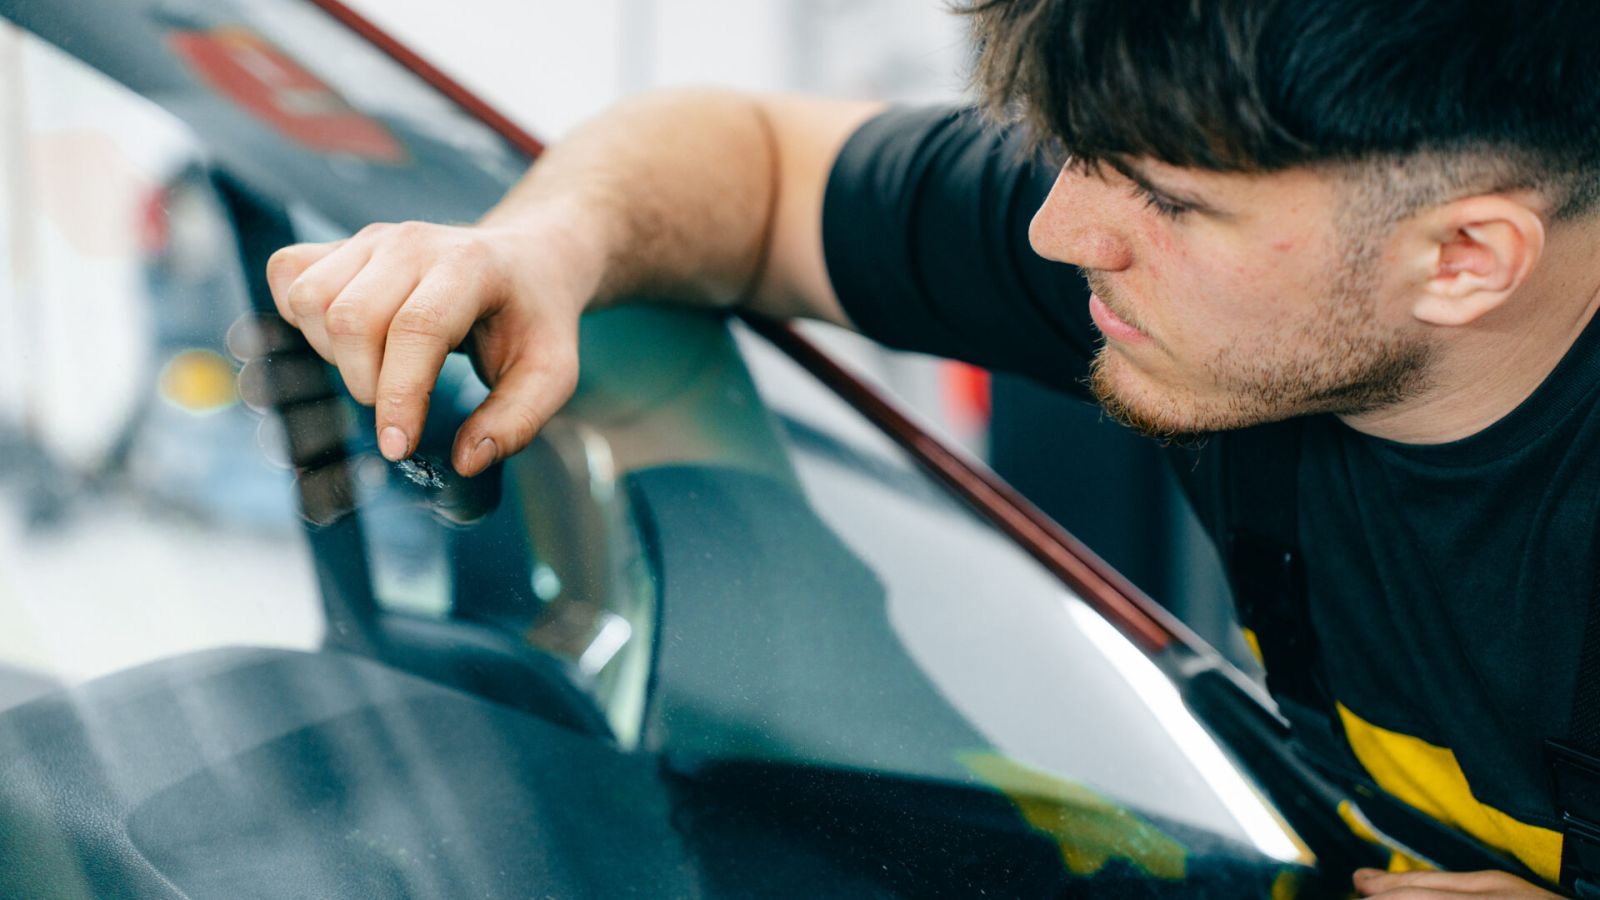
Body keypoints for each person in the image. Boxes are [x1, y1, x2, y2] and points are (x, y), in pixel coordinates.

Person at [265, 1, 1600, 895]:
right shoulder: (1239, 244)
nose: (1057, 235)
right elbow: (757, 167)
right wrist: (541, 247)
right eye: (1075, 159)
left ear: (1469, 259)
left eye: (1167, 204)